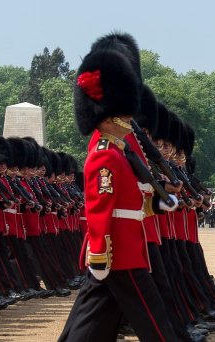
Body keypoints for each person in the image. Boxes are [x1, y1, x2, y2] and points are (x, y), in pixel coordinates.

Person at [59, 40, 177, 342]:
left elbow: (131, 201)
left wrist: (157, 205)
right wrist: (99, 252)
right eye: (123, 114)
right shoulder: (105, 154)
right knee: (154, 321)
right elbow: (99, 208)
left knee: (92, 322)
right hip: (119, 252)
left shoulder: (119, 150)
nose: (128, 119)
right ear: (106, 115)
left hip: (127, 247)